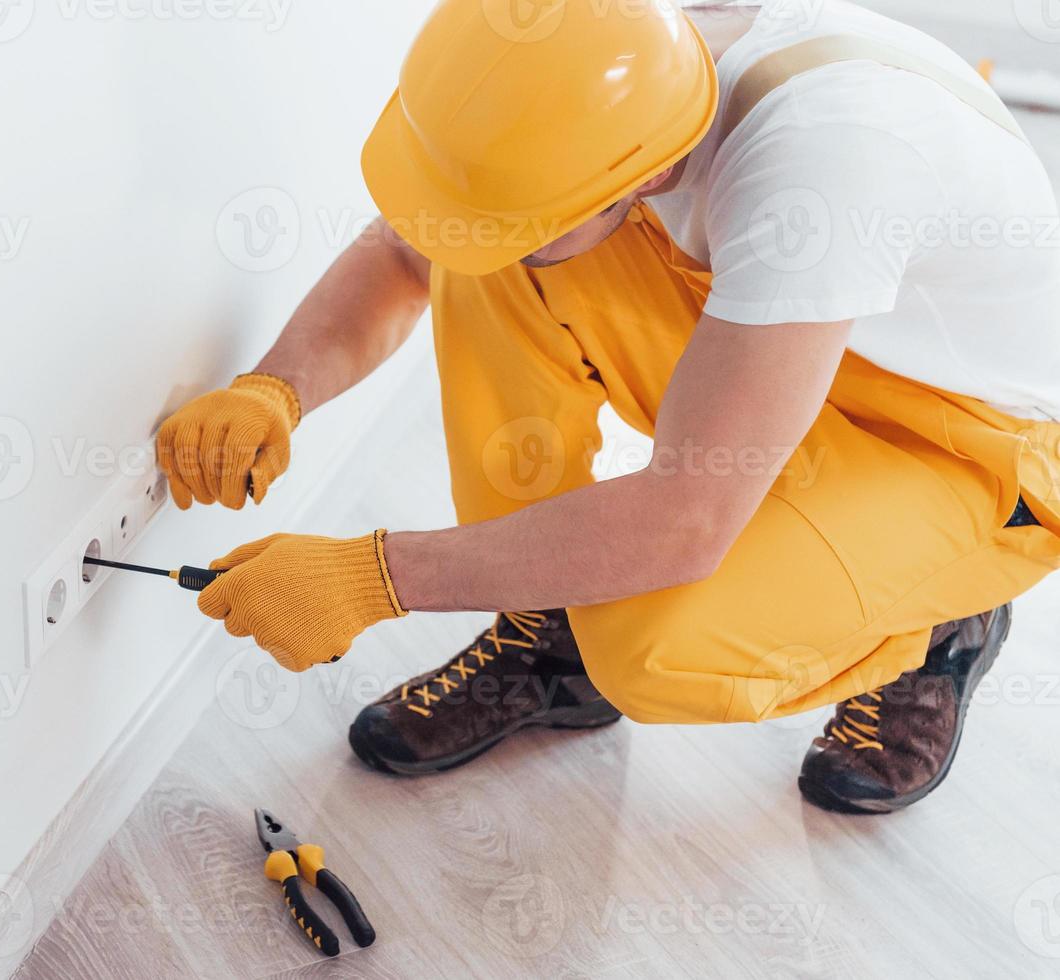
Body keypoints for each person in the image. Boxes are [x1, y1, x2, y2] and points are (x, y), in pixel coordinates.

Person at [154, 0, 1060, 814]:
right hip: (800, 347)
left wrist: (378, 577)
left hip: (966, 444)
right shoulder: (609, 72)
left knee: (649, 646)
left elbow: (684, 519)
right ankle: (545, 632)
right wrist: (272, 390)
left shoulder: (822, 171)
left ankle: (945, 620)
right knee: (493, 262)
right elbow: (408, 256)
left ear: (648, 174)